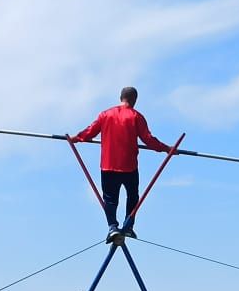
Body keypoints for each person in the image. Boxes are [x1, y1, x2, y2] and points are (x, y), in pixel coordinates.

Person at [69, 86, 173, 241]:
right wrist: (166, 149)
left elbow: (90, 131)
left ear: (120, 97)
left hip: (108, 165)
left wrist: (76, 138)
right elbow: (148, 140)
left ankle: (113, 227)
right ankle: (128, 225)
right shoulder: (136, 116)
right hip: (129, 166)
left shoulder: (105, 114)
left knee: (110, 199)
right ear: (135, 100)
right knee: (133, 197)